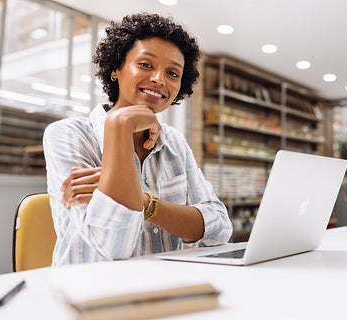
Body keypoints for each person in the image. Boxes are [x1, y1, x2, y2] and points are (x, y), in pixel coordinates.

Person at [43, 13, 232, 266]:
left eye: (173, 73)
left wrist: (143, 201)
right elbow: (112, 246)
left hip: (165, 289)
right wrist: (119, 126)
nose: (159, 79)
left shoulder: (174, 141)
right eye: (145, 64)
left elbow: (219, 231)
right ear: (116, 69)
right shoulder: (68, 135)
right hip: (90, 293)